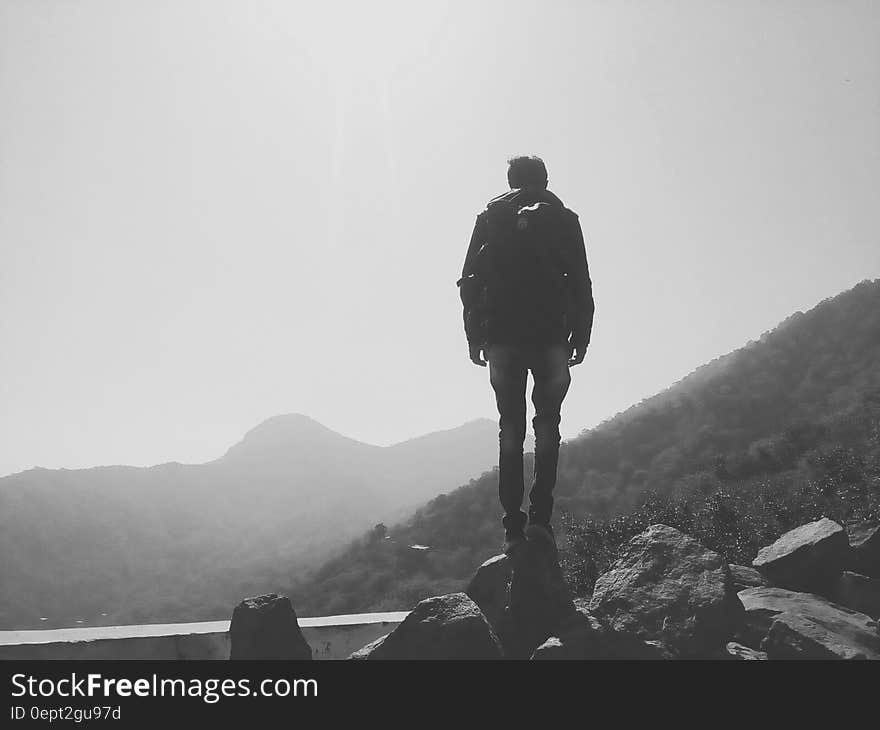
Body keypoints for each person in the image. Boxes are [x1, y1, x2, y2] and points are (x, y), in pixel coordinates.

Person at [457, 156, 594, 555]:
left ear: (510, 180)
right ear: (546, 180)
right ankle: (541, 521)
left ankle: (512, 528)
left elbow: (469, 280)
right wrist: (581, 335)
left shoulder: (490, 217)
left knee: (511, 429)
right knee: (548, 426)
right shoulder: (565, 219)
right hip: (551, 335)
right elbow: (581, 280)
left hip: (502, 336)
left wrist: (474, 335)